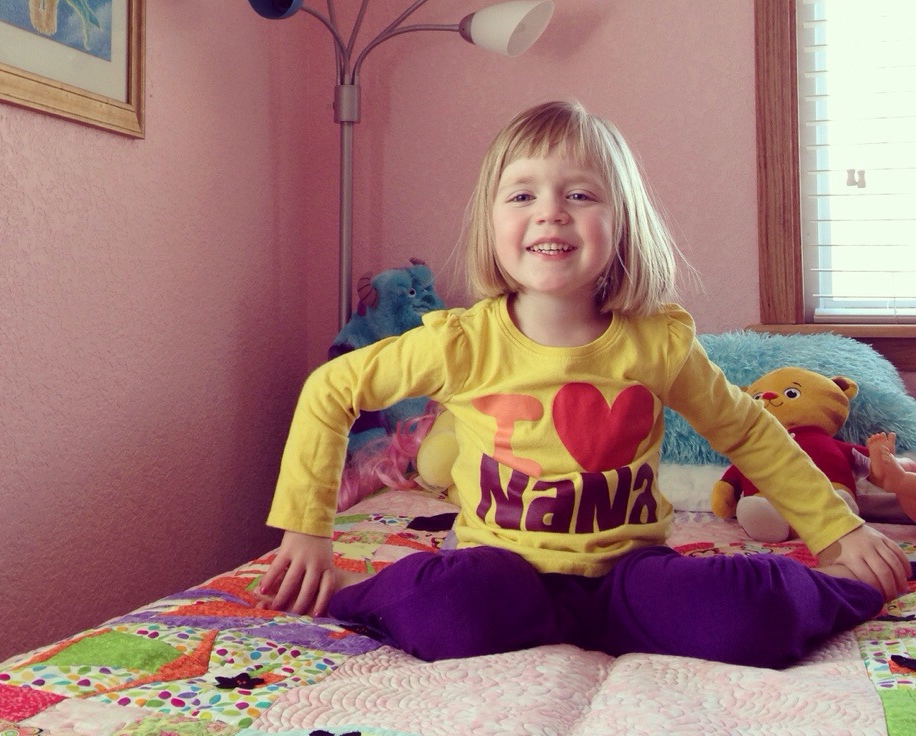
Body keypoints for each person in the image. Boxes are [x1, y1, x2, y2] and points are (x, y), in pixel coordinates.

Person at [259, 100, 909, 668]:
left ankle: (853, 586)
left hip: (629, 576)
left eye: (579, 194)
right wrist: (308, 529)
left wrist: (837, 531)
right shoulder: (463, 342)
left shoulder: (656, 342)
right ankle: (351, 587)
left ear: (621, 221)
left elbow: (748, 429)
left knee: (745, 617)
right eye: (522, 196)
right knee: (450, 608)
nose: (551, 214)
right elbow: (330, 390)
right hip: (504, 574)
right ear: (493, 222)